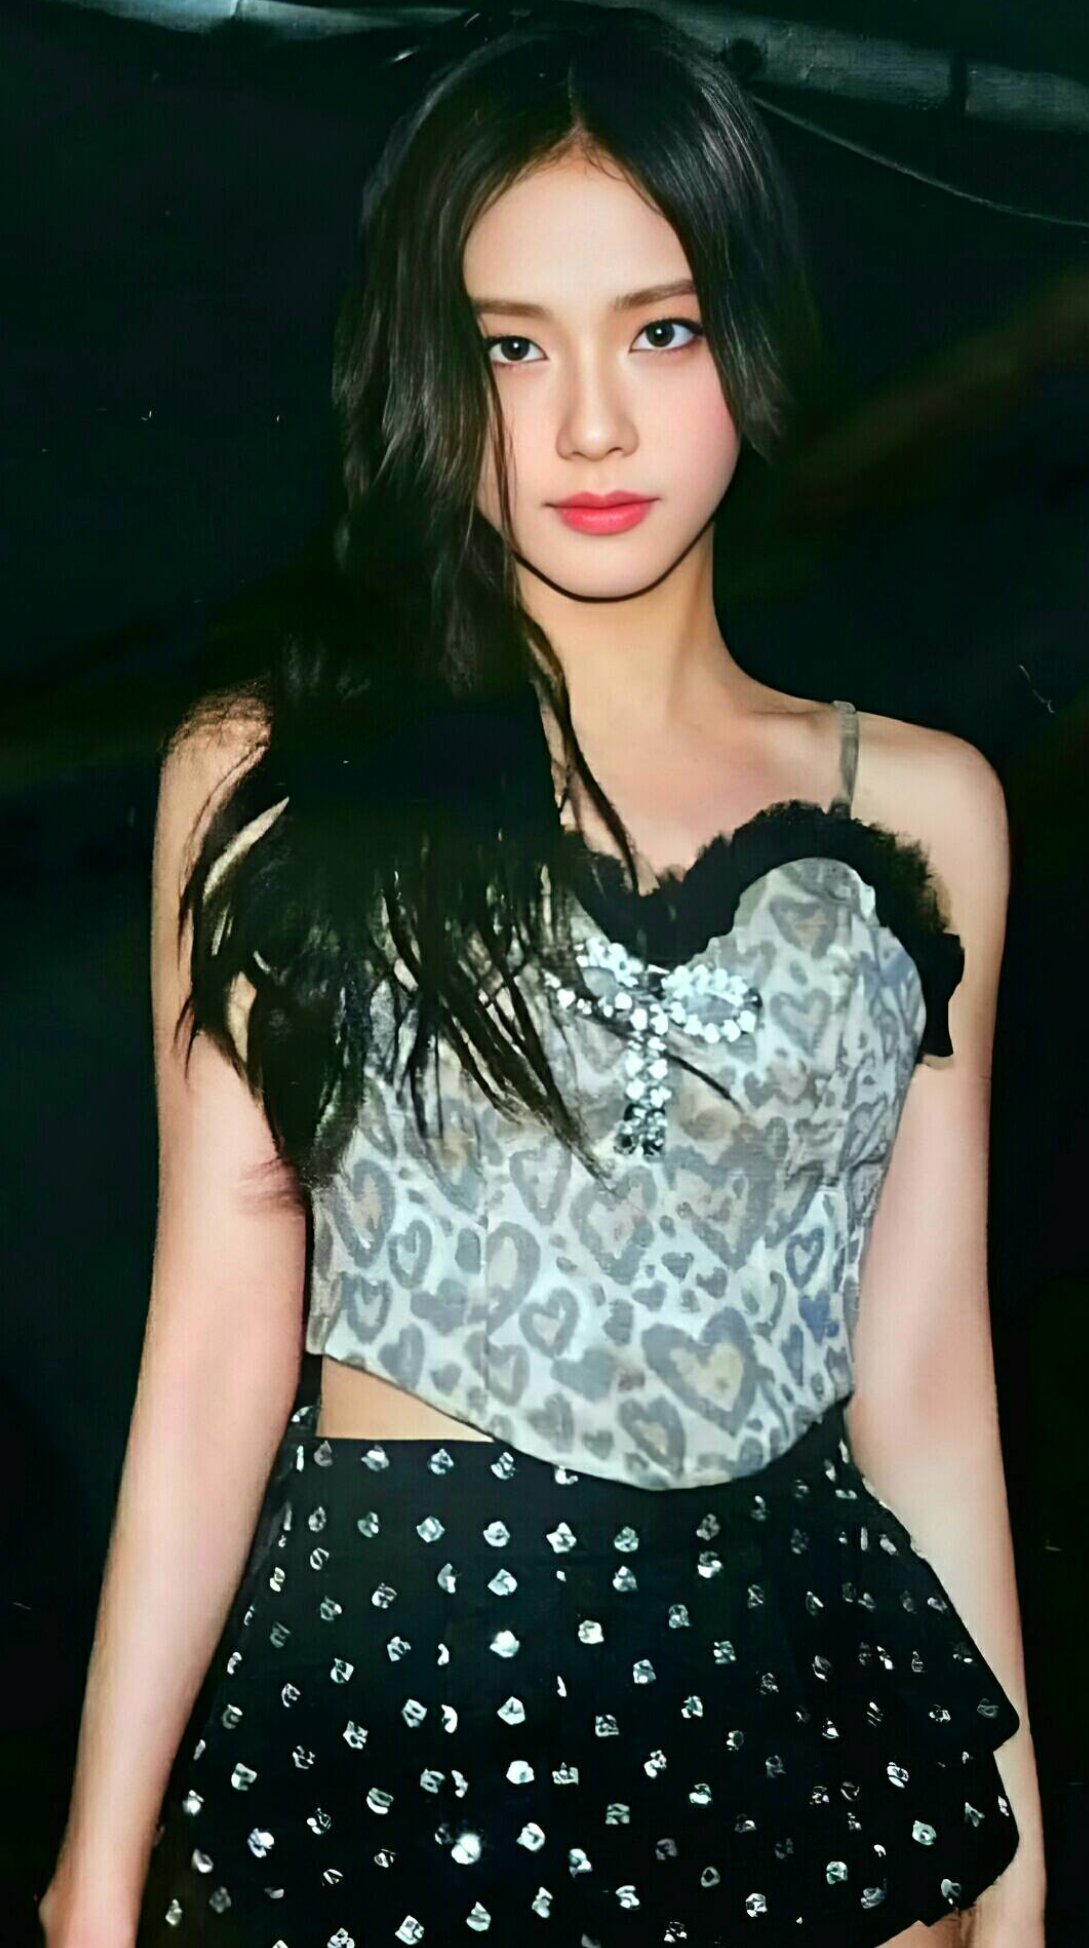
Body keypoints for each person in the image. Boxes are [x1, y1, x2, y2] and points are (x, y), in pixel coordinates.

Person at [40, 7, 1046, 1946]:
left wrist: (1011, 1889)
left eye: (658, 329)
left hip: (801, 1743)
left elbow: (927, 1381)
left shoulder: (923, 809)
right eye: (513, 344)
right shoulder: (270, 777)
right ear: (430, 372)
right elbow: (215, 1346)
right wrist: (98, 1876)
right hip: (408, 1727)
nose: (590, 424)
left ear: (750, 334)